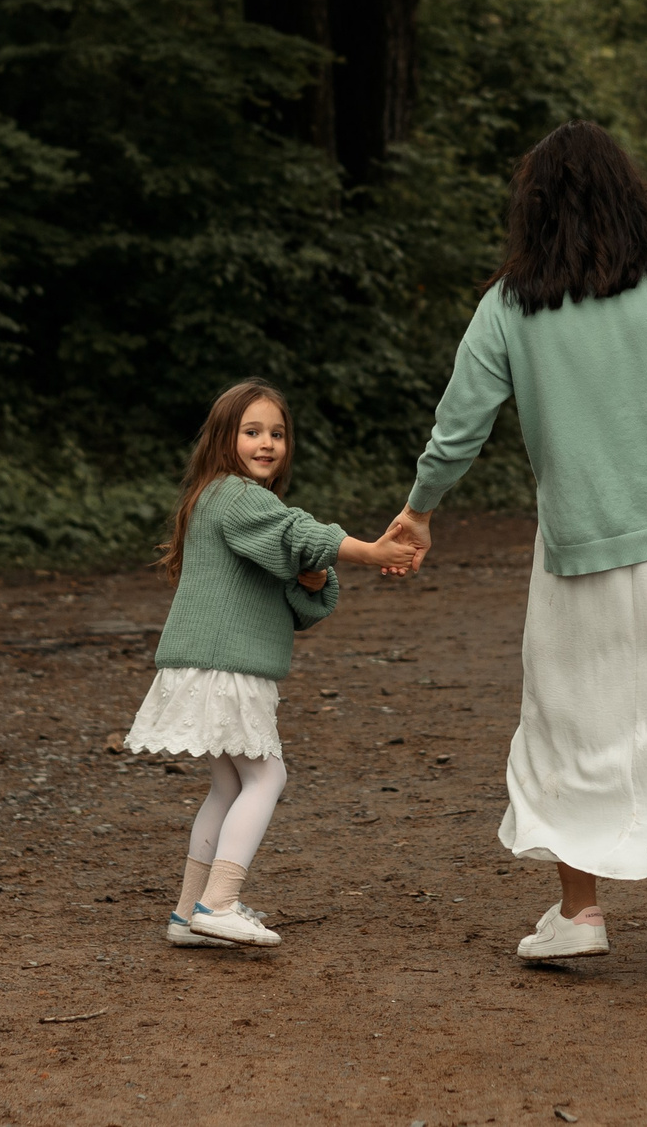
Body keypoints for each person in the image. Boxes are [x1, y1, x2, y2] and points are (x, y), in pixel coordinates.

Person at [392, 121, 647, 992]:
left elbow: (459, 426)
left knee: (572, 732)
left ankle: (579, 915)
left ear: (531, 206)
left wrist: (419, 512)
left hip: (577, 558)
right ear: (634, 194)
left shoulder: (510, 302)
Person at [125, 379, 422, 948]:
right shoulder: (235, 496)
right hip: (225, 667)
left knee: (228, 785)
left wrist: (312, 575)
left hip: (209, 664)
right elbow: (295, 533)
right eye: (252, 431)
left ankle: (189, 914)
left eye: (278, 433)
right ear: (223, 438)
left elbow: (297, 585)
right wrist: (370, 551)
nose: (267, 443)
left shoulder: (225, 501)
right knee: (267, 775)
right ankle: (220, 902)